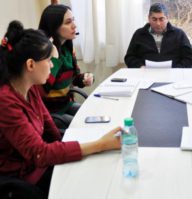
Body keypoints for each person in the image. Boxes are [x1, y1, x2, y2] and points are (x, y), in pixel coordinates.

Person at [0, 20, 121, 198]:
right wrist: (100, 144)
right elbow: (40, 154)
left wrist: (66, 145)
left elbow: (48, 124)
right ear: (31, 65)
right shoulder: (6, 101)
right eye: (49, 60)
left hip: (37, 166)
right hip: (20, 179)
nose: (51, 65)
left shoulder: (29, 87)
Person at [38, 4, 94, 128]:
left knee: (93, 116)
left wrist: (85, 78)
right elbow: (42, 90)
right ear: (54, 27)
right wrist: (54, 59)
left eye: (73, 20)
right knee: (82, 126)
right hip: (49, 112)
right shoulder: (42, 53)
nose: (74, 25)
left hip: (66, 104)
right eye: (68, 22)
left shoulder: (68, 48)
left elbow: (74, 78)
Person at [124, 2, 192, 68]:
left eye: (161, 19)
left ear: (167, 18)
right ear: (149, 18)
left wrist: (177, 69)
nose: (158, 23)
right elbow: (129, 57)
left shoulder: (179, 34)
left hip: (174, 74)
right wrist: (140, 66)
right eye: (154, 19)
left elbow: (188, 58)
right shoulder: (139, 34)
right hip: (145, 74)